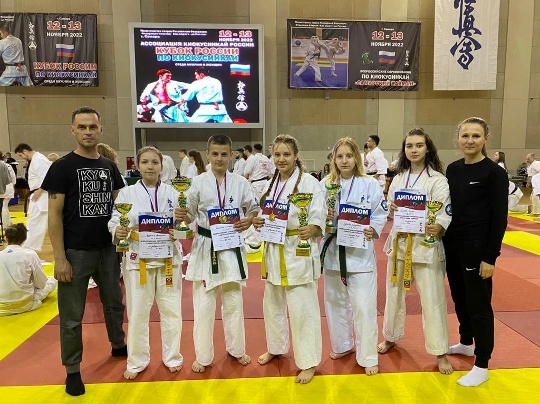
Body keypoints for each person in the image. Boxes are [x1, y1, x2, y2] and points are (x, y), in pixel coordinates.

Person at [41, 106, 127, 396]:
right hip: (75, 252)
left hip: (108, 249)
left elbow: (121, 206)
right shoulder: (62, 167)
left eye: (92, 126)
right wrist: (59, 258)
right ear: (73, 130)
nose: (88, 131)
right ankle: (73, 370)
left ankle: (118, 343)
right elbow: (54, 214)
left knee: (114, 303)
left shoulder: (109, 167)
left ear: (100, 129)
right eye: (82, 127)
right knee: (71, 315)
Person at [174, 134, 259, 373]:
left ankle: (237, 349)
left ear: (231, 155)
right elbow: (190, 214)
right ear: (207, 154)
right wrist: (182, 215)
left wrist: (249, 220)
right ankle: (203, 356)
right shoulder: (197, 182)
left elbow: (253, 208)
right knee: (204, 305)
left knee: (233, 302)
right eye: (215, 154)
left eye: (224, 154)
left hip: (231, 246)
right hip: (206, 245)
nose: (219, 158)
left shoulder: (240, 182)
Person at [377, 128, 453, 375]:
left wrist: (438, 225)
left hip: (426, 246)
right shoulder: (399, 178)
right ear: (404, 150)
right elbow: (389, 206)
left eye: (419, 145)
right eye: (409, 146)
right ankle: (390, 336)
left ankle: (440, 351)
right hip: (400, 244)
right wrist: (391, 208)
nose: (414, 150)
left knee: (433, 300)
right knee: (393, 295)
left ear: (427, 148)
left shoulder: (437, 180)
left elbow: (444, 211)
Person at [253, 134, 326, 384]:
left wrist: (313, 228)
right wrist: (259, 221)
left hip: (298, 250)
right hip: (274, 251)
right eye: (277, 154)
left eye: (286, 154)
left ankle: (309, 362)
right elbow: (265, 213)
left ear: (296, 156)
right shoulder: (270, 184)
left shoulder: (309, 183)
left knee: (302, 309)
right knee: (272, 305)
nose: (281, 159)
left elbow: (319, 213)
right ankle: (276, 347)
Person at [443, 117, 508, 387]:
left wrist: (490, 257)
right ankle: (466, 341)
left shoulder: (494, 173)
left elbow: (500, 217)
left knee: (479, 304)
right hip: (452, 245)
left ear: (486, 139)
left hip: (477, 247)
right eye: (465, 135)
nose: (470, 141)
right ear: (458, 138)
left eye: (476, 136)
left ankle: (482, 363)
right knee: (460, 297)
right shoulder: (453, 169)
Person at [109, 146, 183, 380]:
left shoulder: (174, 193)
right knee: (138, 313)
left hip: (168, 258)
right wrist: (117, 230)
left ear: (162, 166)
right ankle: (137, 360)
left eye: (154, 162)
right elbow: (114, 219)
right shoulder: (127, 194)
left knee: (171, 311)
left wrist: (179, 230)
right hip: (137, 258)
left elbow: (185, 223)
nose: (150, 167)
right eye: (145, 162)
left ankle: (172, 356)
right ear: (137, 166)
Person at [320, 137, 387, 376]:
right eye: (340, 156)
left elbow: (380, 212)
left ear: (357, 158)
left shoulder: (369, 184)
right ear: (333, 160)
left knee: (363, 306)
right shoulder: (325, 184)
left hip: (360, 254)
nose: (344, 160)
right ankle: (342, 345)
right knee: (335, 302)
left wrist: (373, 228)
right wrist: (324, 216)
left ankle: (368, 356)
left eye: (349, 156)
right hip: (333, 253)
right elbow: (315, 214)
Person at [0, 223, 57, 316]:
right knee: (52, 281)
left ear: (6, 238)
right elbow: (41, 284)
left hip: (1, 308)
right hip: (25, 305)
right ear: (24, 239)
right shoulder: (30, 254)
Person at [14, 143, 52, 251]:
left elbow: (46, 178)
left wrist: (39, 191)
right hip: (38, 194)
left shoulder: (39, 160)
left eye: (21, 155)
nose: (22, 157)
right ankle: (29, 247)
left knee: (35, 223)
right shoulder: (36, 159)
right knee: (34, 222)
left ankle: (29, 248)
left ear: (25, 151)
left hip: (41, 195)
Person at [0, 153, 16, 228]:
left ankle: (4, 225)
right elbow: (13, 178)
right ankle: (8, 222)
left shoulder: (3, 166)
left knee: (3, 207)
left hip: (3, 188)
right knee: (5, 206)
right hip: (9, 187)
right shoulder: (8, 165)